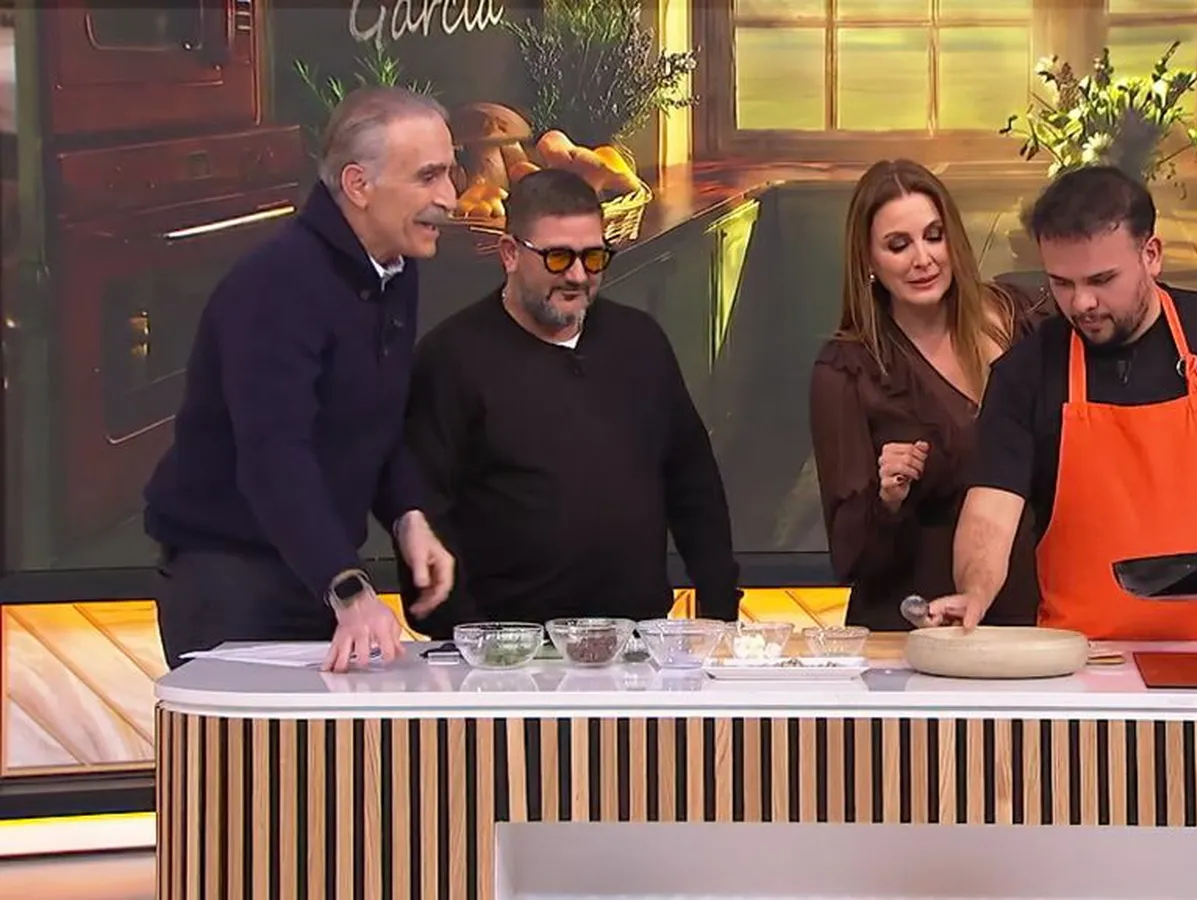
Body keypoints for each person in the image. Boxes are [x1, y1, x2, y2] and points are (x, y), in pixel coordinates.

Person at [929, 166, 1197, 641]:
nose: (1082, 303)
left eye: (1101, 279)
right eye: (1062, 283)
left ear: (1151, 255)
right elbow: (990, 511)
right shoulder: (1026, 372)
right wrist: (975, 591)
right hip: (1082, 662)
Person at [143, 87, 458, 672]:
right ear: (358, 185)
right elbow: (273, 453)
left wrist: (407, 515)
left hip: (315, 572)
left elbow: (376, 417)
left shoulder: (394, 272)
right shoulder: (277, 284)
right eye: (428, 177)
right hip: (232, 582)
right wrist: (347, 586)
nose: (450, 198)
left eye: (449, 173)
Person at [397, 168, 742, 634]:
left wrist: (718, 605)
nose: (578, 276)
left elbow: (692, 479)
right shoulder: (450, 358)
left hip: (635, 638)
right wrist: (468, 636)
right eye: (558, 258)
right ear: (510, 253)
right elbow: (424, 506)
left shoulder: (640, 341)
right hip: (508, 646)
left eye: (593, 258)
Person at [809, 159, 1052, 631]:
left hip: (1035, 615)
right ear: (868, 260)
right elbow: (850, 558)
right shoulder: (848, 370)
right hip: (920, 627)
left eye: (934, 236)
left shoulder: (1022, 317)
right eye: (898, 245)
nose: (923, 259)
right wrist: (888, 500)